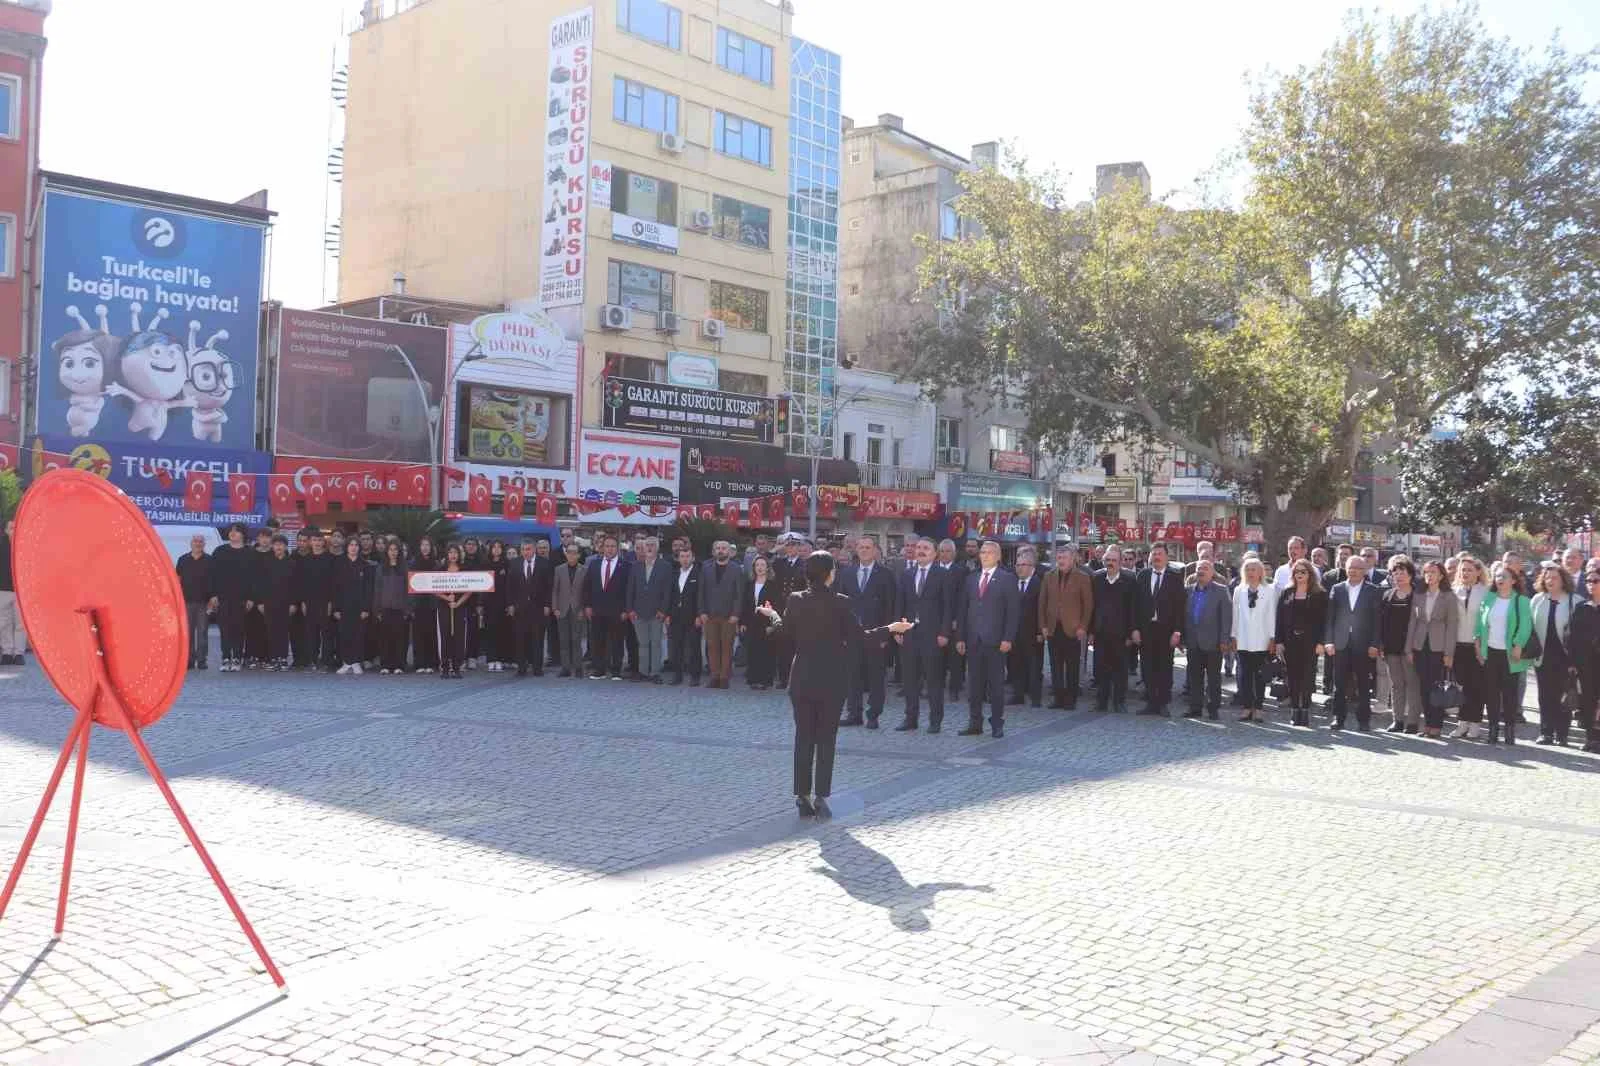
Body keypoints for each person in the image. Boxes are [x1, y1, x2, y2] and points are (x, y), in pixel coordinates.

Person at [755, 552, 913, 817]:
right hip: (832, 679)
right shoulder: (841, 603)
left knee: (803, 736)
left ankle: (801, 796)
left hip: (802, 677)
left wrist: (771, 615)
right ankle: (820, 797)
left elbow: (783, 631)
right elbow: (861, 638)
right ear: (829, 574)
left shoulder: (795, 600)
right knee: (826, 738)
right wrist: (892, 627)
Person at [956, 540, 1020, 738]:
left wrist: (1008, 637)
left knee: (996, 686)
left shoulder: (1007, 579)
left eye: (990, 552)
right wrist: (960, 637)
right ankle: (975, 722)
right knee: (974, 686)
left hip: (996, 641)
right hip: (974, 640)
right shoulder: (971, 579)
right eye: (983, 552)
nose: (985, 555)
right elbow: (963, 610)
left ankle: (997, 723)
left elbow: (1013, 612)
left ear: (998, 556)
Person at [894, 537, 957, 732]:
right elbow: (900, 603)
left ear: (935, 552)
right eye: (918, 547)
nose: (920, 551)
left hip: (933, 634)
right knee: (910, 680)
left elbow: (948, 606)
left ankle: (935, 720)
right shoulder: (907, 574)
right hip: (910, 634)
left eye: (926, 548)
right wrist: (897, 628)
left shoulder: (943, 575)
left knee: (934, 680)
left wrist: (945, 632)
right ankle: (910, 719)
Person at [839, 536, 896, 726]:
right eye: (860, 547)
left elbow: (890, 606)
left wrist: (886, 634)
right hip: (852, 633)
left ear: (875, 551)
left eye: (867, 547)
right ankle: (854, 713)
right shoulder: (847, 573)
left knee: (876, 677)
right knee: (852, 675)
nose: (863, 550)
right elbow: (841, 604)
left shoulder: (885, 574)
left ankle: (873, 715)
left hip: (876, 633)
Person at [1322, 555, 1383, 732]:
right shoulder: (1337, 588)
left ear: (1364, 571)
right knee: (1339, 684)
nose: (1354, 571)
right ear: (1346, 569)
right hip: (1340, 643)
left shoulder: (1373, 590)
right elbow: (1330, 618)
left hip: (1363, 644)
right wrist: (1328, 641)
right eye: (1351, 567)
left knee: (1364, 685)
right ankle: (1337, 718)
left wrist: (1374, 644)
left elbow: (1377, 621)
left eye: (1358, 568)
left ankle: (1363, 721)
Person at [1476, 561, 1533, 744]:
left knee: (1509, 694)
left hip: (1510, 655)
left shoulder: (1521, 600)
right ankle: (1493, 729)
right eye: (1498, 576)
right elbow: (1480, 624)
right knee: (1491, 693)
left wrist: (1518, 645)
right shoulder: (1489, 598)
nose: (1500, 579)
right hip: (1490, 652)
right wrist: (1478, 646)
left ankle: (1509, 730)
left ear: (1514, 581)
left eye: (1504, 576)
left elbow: (1525, 625)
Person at [1406, 559, 1459, 740]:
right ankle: (1427, 724)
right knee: (1423, 688)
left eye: (1433, 572)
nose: (1429, 576)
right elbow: (1413, 622)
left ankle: (1436, 725)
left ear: (1441, 575)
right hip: (1420, 645)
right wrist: (1409, 648)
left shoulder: (1449, 597)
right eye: (1426, 572)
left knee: (1436, 688)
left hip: (1439, 647)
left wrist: (1449, 653)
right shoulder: (1419, 594)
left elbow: (1452, 626)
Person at [1133, 541, 1184, 716]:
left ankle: (1163, 702)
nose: (1156, 557)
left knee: (1165, 667)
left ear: (1166, 557)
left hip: (1166, 631)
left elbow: (1180, 607)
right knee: (1147, 667)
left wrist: (1177, 632)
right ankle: (1151, 702)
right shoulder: (1143, 576)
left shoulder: (1175, 577)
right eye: (1153, 554)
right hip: (1146, 629)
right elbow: (1135, 605)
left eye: (1159, 554)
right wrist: (1135, 629)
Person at [1039, 545, 1093, 710]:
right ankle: (1058, 698)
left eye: (1064, 558)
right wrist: (1043, 626)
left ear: (1073, 559)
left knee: (1072, 666)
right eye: (1059, 558)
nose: (1061, 561)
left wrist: (1083, 627)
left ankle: (1070, 699)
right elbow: (1042, 603)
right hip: (1053, 628)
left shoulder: (1083, 577)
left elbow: (1088, 605)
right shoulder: (1049, 576)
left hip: (1073, 628)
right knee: (1055, 665)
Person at [1530, 563, 1578, 746]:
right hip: (1542, 655)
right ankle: (1546, 732)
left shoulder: (1574, 600)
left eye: (1555, 577)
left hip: (1565, 656)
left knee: (1563, 695)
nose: (1550, 580)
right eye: (1547, 577)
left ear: (1563, 580)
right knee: (1544, 695)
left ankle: (1562, 734)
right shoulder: (1537, 599)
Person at [1275, 558, 1326, 726]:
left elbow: (1323, 621)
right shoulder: (1287, 592)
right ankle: (1294, 710)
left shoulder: (1319, 594)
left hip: (1310, 642)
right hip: (1290, 641)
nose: (1299, 575)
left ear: (1310, 574)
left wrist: (1321, 642)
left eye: (1303, 572)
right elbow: (1279, 619)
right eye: (1297, 572)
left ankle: (1305, 710)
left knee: (1308, 677)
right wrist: (1279, 641)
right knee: (1292, 676)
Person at [1089, 546, 1136, 713]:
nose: (1110, 563)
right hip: (1101, 632)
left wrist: (1131, 632)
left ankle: (1119, 702)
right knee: (1101, 669)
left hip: (1121, 634)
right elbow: (1091, 607)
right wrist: (1091, 632)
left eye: (1114, 560)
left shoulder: (1130, 579)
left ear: (1120, 562)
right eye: (1107, 560)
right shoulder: (1096, 577)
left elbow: (1133, 608)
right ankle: (1101, 702)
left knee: (1120, 670)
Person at [1182, 560, 1232, 720]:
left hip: (1214, 642)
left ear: (1212, 573)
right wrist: (1183, 638)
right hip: (1193, 641)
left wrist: (1224, 640)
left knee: (1214, 678)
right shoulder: (1188, 591)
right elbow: (1183, 617)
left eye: (1205, 568)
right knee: (1194, 677)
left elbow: (1226, 618)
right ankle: (1195, 708)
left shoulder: (1222, 591)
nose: (1201, 571)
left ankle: (1213, 709)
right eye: (1199, 569)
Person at [1231, 557, 1276, 722]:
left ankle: (1258, 707)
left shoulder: (1269, 590)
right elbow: (1235, 615)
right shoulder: (1239, 590)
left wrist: (1272, 638)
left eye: (1254, 569)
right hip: (1243, 638)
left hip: (1262, 638)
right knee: (1244, 675)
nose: (1250, 572)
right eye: (1248, 569)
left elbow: (1272, 615)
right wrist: (1233, 636)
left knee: (1259, 675)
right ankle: (1246, 706)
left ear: (1260, 573)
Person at [1450, 557, 1490, 739]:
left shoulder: (1487, 593)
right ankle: (1462, 722)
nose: (1465, 573)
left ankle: (1475, 723)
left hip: (1477, 646)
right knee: (1461, 686)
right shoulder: (1453, 591)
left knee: (1477, 686)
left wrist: (1482, 645)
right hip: (1458, 645)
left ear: (1478, 572)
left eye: (1469, 570)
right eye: (1463, 570)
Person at [697, 540, 745, 690]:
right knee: (712, 647)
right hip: (709, 615)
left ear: (729, 551)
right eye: (717, 548)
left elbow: (739, 594)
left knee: (727, 647)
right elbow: (701, 592)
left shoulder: (737, 569)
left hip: (728, 615)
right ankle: (714, 676)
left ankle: (724, 678)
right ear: (713, 551)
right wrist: (702, 612)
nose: (720, 550)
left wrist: (736, 614)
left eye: (723, 548)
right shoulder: (706, 568)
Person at [1379, 556, 1420, 733]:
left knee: (1412, 683)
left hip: (1410, 647)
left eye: (1402, 572)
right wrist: (1381, 644)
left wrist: (1414, 646)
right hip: (1391, 647)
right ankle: (1398, 720)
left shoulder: (1418, 595)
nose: (1399, 576)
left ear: (1410, 574)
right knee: (1396, 685)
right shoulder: (1387, 595)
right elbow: (1381, 622)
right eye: (1395, 573)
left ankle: (1412, 721)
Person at [582, 535, 629, 680]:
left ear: (618, 548)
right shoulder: (594, 564)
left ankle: (616, 670)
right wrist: (588, 606)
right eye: (607, 546)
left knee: (617, 641)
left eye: (613, 546)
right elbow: (587, 587)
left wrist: (625, 610)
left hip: (617, 611)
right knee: (597, 641)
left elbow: (629, 590)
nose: (609, 549)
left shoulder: (625, 565)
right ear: (602, 548)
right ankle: (599, 669)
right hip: (597, 610)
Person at [504, 538, 553, 678]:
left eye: (529, 549)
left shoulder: (544, 563)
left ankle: (537, 667)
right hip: (520, 608)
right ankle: (521, 667)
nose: (526, 552)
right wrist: (511, 605)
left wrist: (547, 605)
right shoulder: (515, 563)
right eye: (523, 549)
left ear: (534, 549)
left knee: (537, 638)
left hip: (538, 608)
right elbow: (509, 586)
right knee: (520, 639)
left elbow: (549, 587)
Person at [626, 535, 670, 684]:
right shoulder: (636, 566)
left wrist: (663, 610)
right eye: (647, 545)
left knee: (656, 643)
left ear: (657, 547)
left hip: (657, 612)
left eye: (652, 545)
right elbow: (630, 590)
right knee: (643, 643)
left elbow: (667, 591)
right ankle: (643, 672)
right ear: (643, 548)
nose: (649, 547)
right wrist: (630, 609)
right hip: (638, 612)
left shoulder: (665, 566)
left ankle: (655, 673)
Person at [770, 534, 808, 689]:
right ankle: (783, 678)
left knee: (797, 647)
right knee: (782, 646)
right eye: (789, 545)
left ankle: (797, 680)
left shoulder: (805, 564)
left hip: (798, 610)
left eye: (794, 545)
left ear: (799, 547)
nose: (791, 548)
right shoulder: (779, 563)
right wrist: (775, 549)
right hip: (781, 609)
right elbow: (765, 561)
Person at [332, 537, 374, 676]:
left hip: (359, 607)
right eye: (351, 545)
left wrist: (366, 608)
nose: (353, 547)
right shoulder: (339, 564)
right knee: (344, 634)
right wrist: (336, 608)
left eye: (356, 545)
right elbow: (335, 588)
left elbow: (369, 589)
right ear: (347, 547)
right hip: (343, 606)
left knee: (359, 634)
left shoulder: (365, 565)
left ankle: (356, 662)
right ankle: (346, 662)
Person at [298, 529, 337, 672]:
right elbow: (301, 583)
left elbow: (333, 583)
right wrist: (302, 601)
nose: (317, 543)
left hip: (325, 601)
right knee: (311, 633)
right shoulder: (305, 560)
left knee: (326, 633)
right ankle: (312, 660)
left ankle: (326, 661)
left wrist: (331, 602)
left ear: (323, 542)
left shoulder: (330, 559)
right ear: (310, 542)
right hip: (309, 601)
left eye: (320, 540)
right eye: (314, 540)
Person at [1009, 548, 1044, 708]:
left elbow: (1042, 609)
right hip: (1014, 633)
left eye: (1023, 564)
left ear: (1032, 567)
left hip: (1032, 633)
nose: (1019, 568)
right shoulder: (1011, 582)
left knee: (1034, 666)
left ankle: (1035, 696)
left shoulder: (1039, 584)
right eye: (1017, 564)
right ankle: (1018, 694)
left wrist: (1039, 631)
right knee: (1016, 664)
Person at [1569, 574, 1600, 753]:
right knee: (1587, 701)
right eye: (1588, 581)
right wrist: (1572, 662)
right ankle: (1590, 738)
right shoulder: (1582, 608)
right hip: (1585, 664)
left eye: (1595, 581)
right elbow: (1572, 636)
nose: (1591, 585)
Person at [260, 534, 298, 671]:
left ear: (286, 546)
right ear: (272, 546)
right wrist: (261, 602)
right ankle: (273, 658)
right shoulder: (266, 562)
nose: (278, 547)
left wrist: (293, 603)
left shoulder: (291, 563)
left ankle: (282, 659)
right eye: (276, 544)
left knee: (283, 632)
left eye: (281, 544)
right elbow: (261, 584)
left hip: (286, 603)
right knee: (271, 631)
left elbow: (295, 585)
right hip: (269, 602)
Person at [666, 544, 703, 685]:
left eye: (688, 556)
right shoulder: (675, 573)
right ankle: (677, 675)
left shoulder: (699, 573)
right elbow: (671, 595)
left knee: (694, 647)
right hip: (676, 616)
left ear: (693, 558)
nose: (685, 559)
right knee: (676, 647)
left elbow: (701, 596)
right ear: (678, 559)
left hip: (693, 616)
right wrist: (668, 614)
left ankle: (695, 676)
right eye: (682, 557)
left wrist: (700, 615)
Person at [372, 539, 411, 674]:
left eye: (396, 550)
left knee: (400, 638)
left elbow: (409, 590)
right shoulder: (381, 568)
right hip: (385, 607)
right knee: (385, 638)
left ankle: (399, 665)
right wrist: (377, 609)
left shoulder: (405, 568)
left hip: (400, 609)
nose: (393, 552)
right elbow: (377, 589)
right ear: (387, 552)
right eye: (391, 550)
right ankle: (385, 665)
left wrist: (407, 609)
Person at [176, 534, 214, 670]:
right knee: (188, 633)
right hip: (186, 602)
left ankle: (202, 660)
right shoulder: (183, 560)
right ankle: (189, 661)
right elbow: (177, 580)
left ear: (204, 544)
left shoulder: (210, 560)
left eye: (200, 542)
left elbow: (214, 581)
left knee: (202, 632)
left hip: (204, 602)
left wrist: (213, 599)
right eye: (195, 541)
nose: (198, 544)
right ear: (191, 543)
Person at [435, 544, 472, 679]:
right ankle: (444, 667)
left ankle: (457, 667)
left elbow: (469, 590)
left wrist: (458, 602)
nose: (453, 555)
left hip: (459, 607)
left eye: (455, 552)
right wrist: (447, 598)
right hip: (444, 607)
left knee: (459, 637)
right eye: (450, 552)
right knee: (445, 636)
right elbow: (434, 589)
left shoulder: (465, 569)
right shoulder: (441, 569)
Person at [550, 541, 587, 679]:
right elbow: (555, 590)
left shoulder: (584, 570)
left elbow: (586, 592)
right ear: (566, 554)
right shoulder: (559, 569)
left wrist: (583, 609)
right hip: (562, 609)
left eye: (574, 552)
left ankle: (578, 668)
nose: (571, 555)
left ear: (578, 555)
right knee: (564, 640)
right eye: (569, 552)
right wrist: (555, 608)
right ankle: (565, 668)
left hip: (577, 610)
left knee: (576, 640)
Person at [409, 536, 441, 674]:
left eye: (427, 545)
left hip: (432, 604)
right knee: (418, 634)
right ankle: (419, 663)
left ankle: (431, 662)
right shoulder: (413, 563)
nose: (425, 547)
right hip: (418, 604)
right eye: (422, 545)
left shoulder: (437, 564)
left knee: (431, 633)